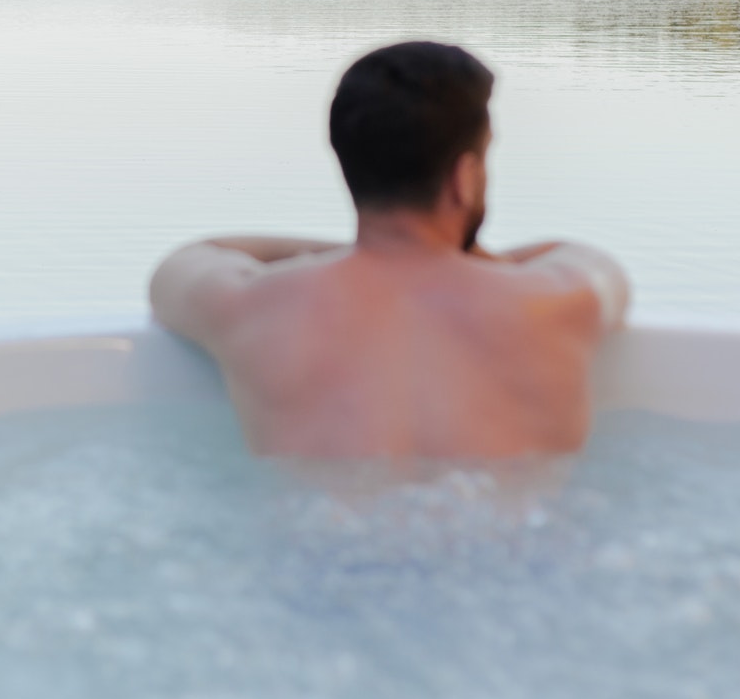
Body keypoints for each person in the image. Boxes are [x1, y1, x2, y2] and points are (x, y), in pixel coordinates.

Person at [149, 41, 629, 460]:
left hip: (322, 562)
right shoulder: (566, 301)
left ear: (348, 161)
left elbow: (189, 259)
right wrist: (448, 251)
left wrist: (361, 252)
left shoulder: (251, 307)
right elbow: (584, 259)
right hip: (515, 560)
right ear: (464, 177)